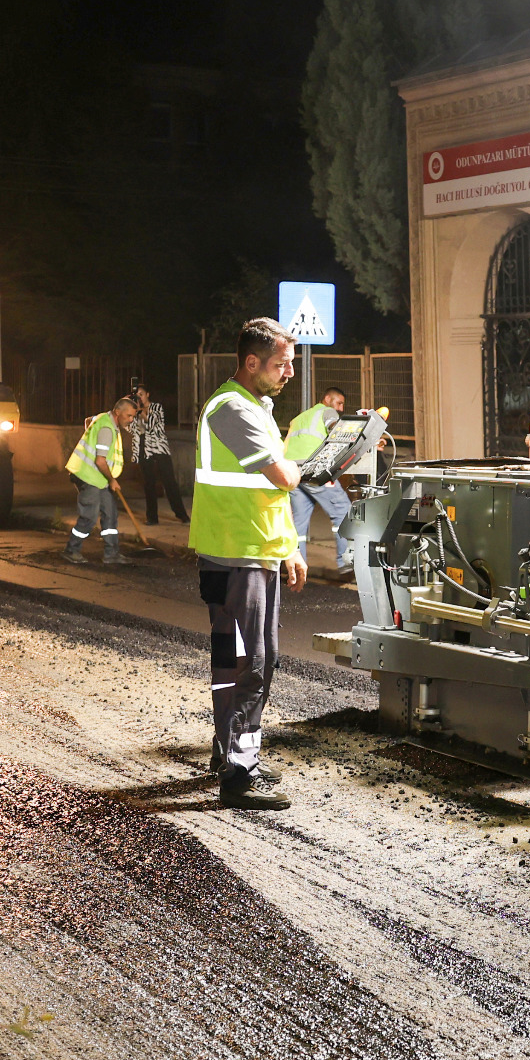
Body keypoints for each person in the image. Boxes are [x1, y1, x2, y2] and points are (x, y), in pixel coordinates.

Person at [194, 318, 308, 810]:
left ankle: (228, 753)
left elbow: (264, 492)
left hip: (241, 549)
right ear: (252, 362)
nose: (288, 373)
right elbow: (283, 478)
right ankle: (240, 774)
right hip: (240, 556)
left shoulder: (252, 405)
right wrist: (314, 459)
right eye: (281, 364)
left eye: (291, 364)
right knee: (254, 663)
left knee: (230, 660)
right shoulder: (233, 408)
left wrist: (290, 548)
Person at [282, 384, 353, 574]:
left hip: (292, 471)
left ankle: (297, 565)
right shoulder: (328, 411)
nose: (340, 408)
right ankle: (345, 561)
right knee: (343, 510)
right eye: (339, 403)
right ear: (328, 399)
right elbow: (336, 430)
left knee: (298, 522)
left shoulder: (299, 418)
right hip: (313, 469)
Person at [64, 393, 135, 566]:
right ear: (118, 412)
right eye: (129, 415)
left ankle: (112, 554)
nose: (131, 420)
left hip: (99, 478)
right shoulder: (106, 429)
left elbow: (89, 420)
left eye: (133, 416)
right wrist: (112, 480)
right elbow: (100, 460)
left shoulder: (104, 418)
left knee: (110, 514)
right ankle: (71, 550)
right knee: (89, 516)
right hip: (89, 476)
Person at [125, 385, 186, 526]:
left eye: (141, 394)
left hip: (159, 450)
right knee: (149, 485)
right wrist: (130, 411)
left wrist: (140, 411)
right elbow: (132, 429)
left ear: (148, 394)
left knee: (169, 482)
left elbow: (151, 424)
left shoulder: (157, 407)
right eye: (137, 395)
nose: (139, 397)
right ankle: (152, 517)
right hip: (144, 452)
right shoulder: (135, 412)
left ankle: (182, 514)